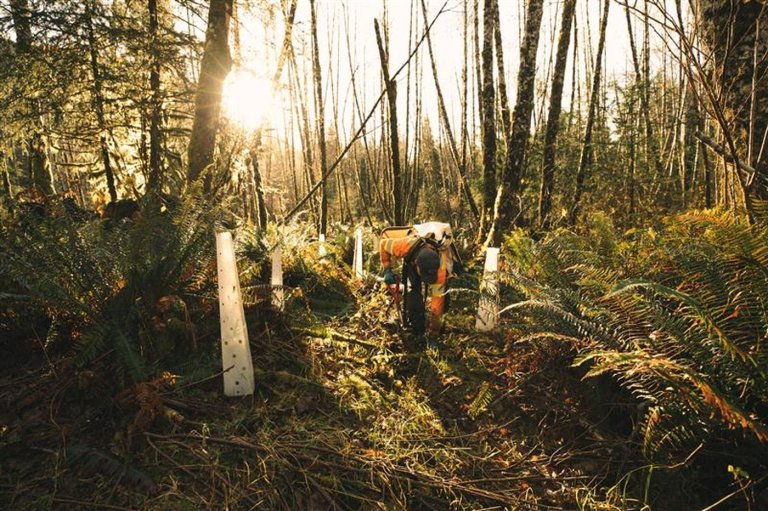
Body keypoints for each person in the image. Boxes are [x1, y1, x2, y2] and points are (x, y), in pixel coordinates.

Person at [379, 234, 455, 340]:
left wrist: (434, 333)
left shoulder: (440, 272)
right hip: (412, 258)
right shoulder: (404, 246)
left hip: (434, 269)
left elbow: (436, 307)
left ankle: (439, 327)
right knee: (413, 293)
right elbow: (383, 244)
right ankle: (417, 328)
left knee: (442, 302)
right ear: (416, 264)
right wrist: (387, 268)